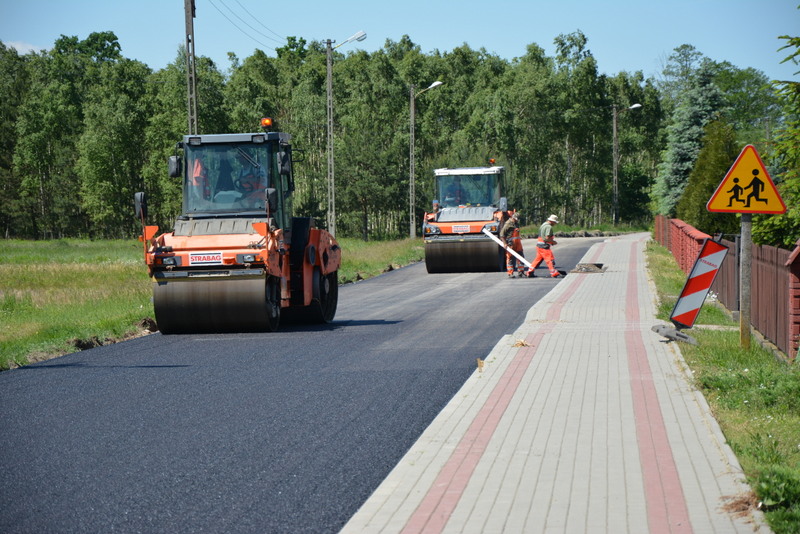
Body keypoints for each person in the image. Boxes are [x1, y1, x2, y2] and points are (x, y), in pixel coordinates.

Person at [500, 212, 525, 277]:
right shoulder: (508, 223)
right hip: (511, 243)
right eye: (516, 219)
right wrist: (505, 243)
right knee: (510, 258)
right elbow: (502, 234)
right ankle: (510, 273)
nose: (517, 220)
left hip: (518, 243)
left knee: (521, 256)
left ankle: (521, 271)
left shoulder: (516, 223)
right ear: (513, 218)